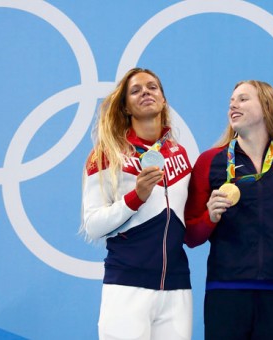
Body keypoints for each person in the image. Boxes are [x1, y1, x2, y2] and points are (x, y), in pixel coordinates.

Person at [184, 80, 273, 339]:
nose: (233, 104)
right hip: (226, 289)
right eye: (231, 101)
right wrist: (210, 217)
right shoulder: (210, 161)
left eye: (243, 99)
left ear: (266, 107)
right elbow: (191, 236)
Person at [80, 68, 192, 340]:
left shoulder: (180, 154)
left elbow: (187, 220)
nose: (146, 92)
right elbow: (93, 225)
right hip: (128, 284)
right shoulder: (107, 154)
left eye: (153, 87)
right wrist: (136, 197)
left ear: (163, 100)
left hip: (176, 288)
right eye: (136, 90)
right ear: (126, 107)